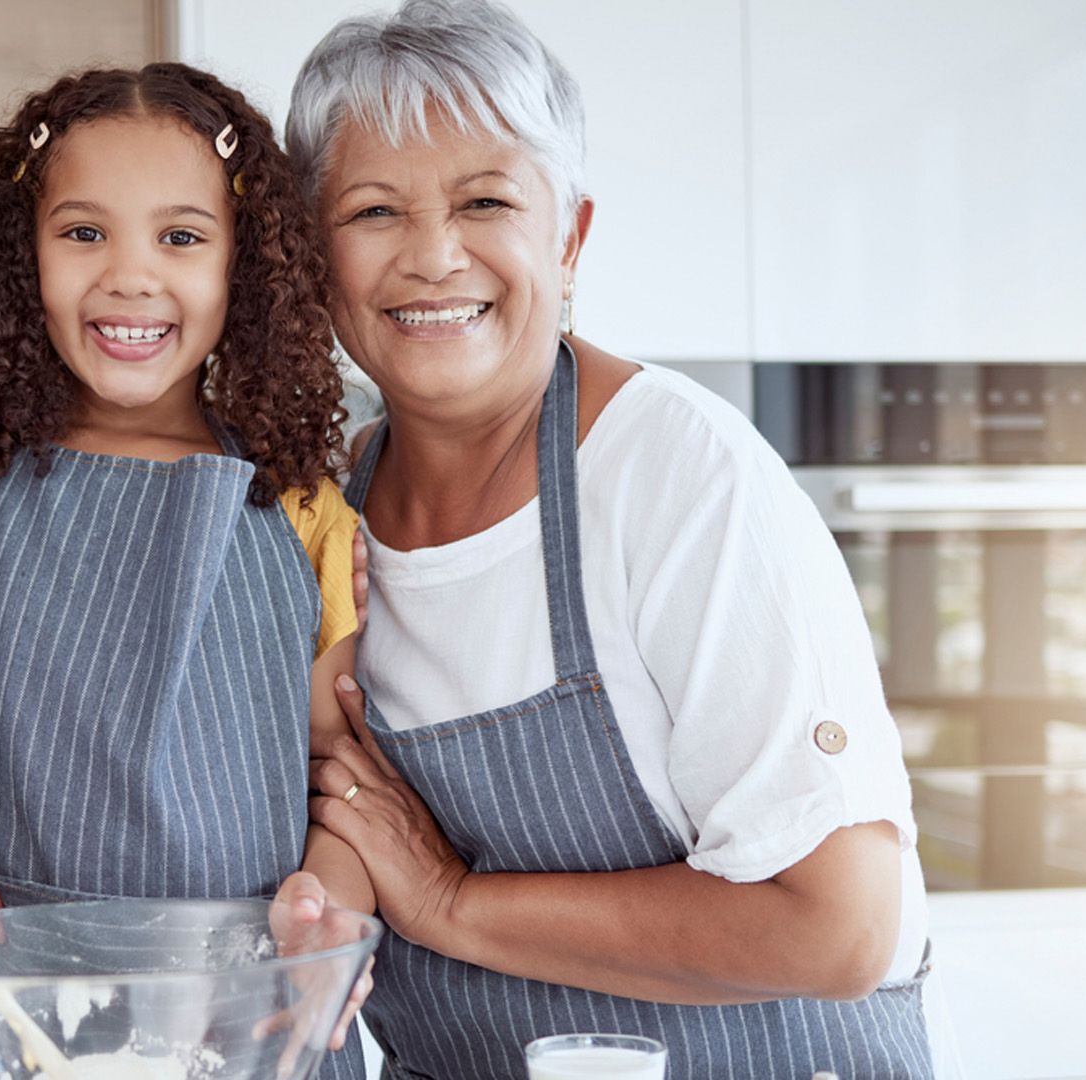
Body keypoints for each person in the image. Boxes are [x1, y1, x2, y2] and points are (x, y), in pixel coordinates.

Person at [275, 1, 939, 1076]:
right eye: (374, 211)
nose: (433, 256)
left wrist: (448, 901)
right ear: (314, 260)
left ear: (569, 237)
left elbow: (839, 925)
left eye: (486, 201)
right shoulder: (321, 513)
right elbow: (317, 809)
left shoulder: (679, 475)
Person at [0, 63, 373, 1078]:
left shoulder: (301, 505)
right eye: (84, 232)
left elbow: (343, 783)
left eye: (181, 238)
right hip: (30, 1013)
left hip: (256, 1019)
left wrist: (328, 909)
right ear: (23, 257)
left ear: (245, 266)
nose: (130, 277)